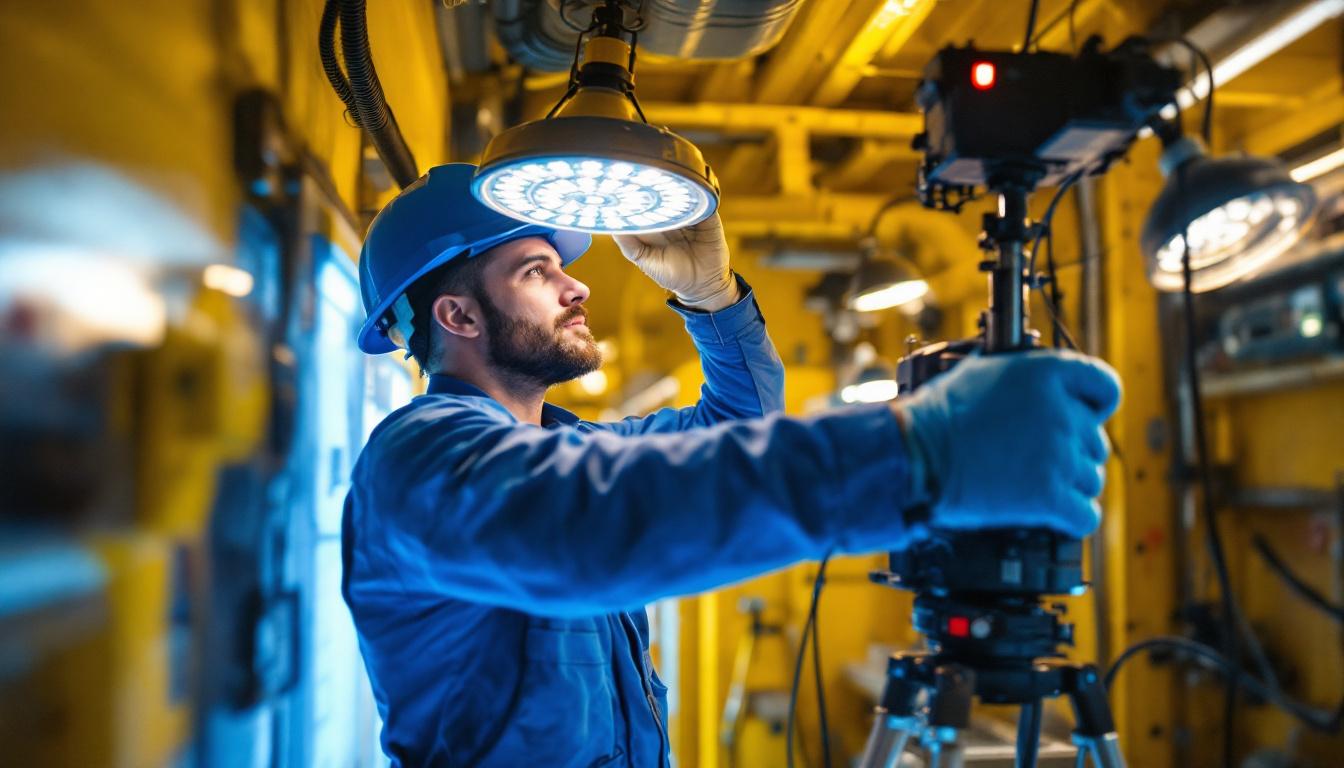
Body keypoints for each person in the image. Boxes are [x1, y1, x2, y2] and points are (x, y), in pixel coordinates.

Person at [343, 163, 1121, 767]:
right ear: (459, 315)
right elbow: (585, 530)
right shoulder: (417, 460)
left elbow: (739, 423)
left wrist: (713, 299)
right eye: (536, 271)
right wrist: (918, 451)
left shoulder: (571, 448)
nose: (577, 284)